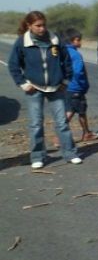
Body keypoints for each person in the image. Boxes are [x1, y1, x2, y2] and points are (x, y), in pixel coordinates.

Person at [7, 11, 82, 168]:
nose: (42, 29)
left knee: (62, 123)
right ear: (29, 26)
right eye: (38, 26)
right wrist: (23, 83)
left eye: (44, 25)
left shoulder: (55, 39)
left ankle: (70, 153)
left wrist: (66, 81)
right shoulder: (22, 42)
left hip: (56, 87)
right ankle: (37, 156)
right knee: (36, 123)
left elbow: (67, 61)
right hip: (34, 88)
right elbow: (14, 65)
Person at [63, 28, 98, 143]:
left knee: (79, 110)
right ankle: (59, 136)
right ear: (74, 40)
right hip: (76, 88)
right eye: (79, 40)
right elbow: (78, 72)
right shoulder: (75, 54)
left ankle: (86, 132)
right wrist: (83, 84)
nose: (80, 42)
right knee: (71, 112)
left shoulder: (63, 52)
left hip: (66, 87)